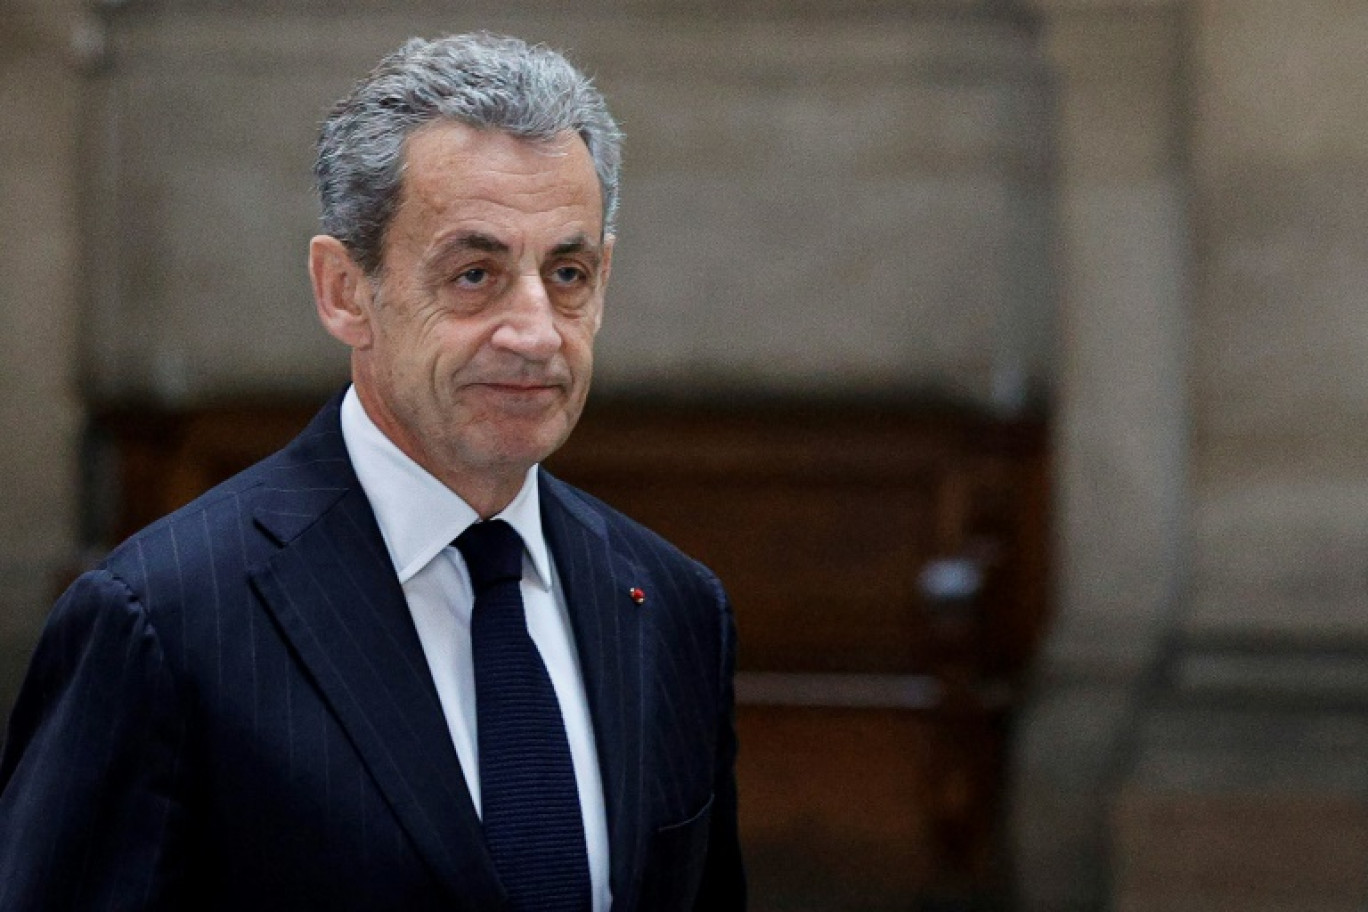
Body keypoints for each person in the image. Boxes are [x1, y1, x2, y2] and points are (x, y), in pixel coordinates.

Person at [0, 32, 745, 911]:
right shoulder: (161, 621)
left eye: (568, 273)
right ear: (344, 290)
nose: (537, 332)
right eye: (475, 274)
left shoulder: (671, 605)